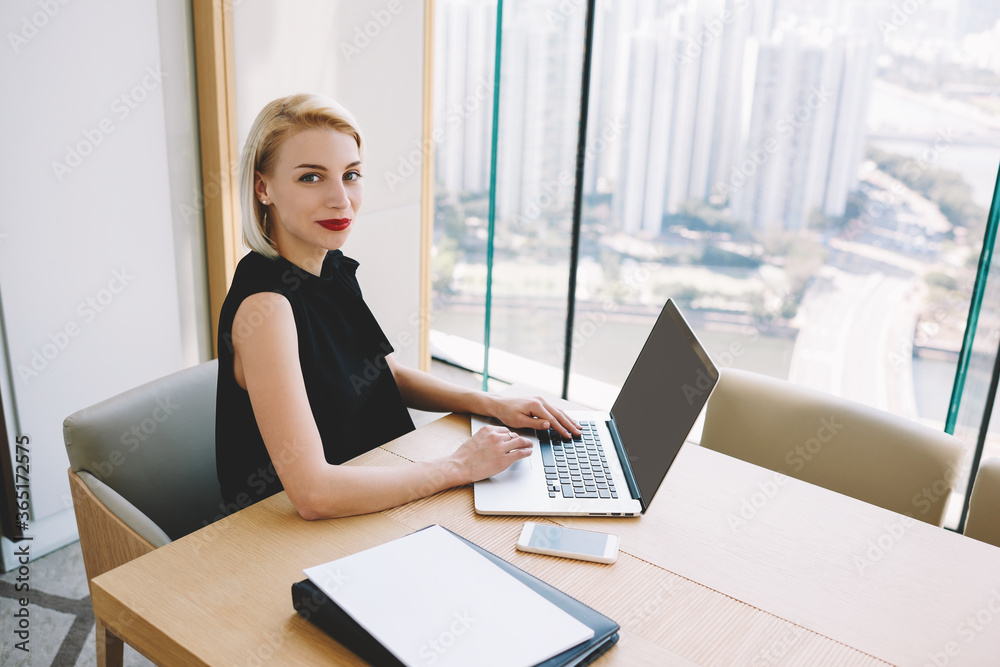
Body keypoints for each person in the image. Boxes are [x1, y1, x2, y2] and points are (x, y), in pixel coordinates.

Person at [215, 93, 579, 519]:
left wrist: (489, 403)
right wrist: (458, 466)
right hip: (289, 531)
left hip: (373, 484)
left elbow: (382, 373)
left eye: (351, 175)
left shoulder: (330, 266)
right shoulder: (267, 308)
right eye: (311, 178)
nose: (340, 199)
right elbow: (314, 494)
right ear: (263, 188)